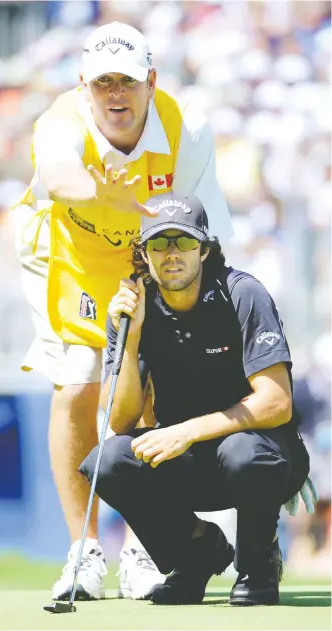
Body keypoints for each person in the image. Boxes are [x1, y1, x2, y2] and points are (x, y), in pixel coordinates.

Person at [13, 21, 232, 601]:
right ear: (84, 85)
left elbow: (208, 237)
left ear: (151, 82)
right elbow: (59, 177)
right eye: (103, 81)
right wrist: (101, 193)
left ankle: (143, 547)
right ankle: (83, 552)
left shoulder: (188, 130)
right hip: (68, 256)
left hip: (149, 258)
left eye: (128, 82)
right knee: (80, 381)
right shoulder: (62, 120)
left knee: (156, 390)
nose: (116, 93)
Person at [80, 192, 316, 606]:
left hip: (261, 455)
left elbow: (276, 402)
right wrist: (129, 338)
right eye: (159, 243)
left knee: (245, 452)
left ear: (204, 249)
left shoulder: (243, 293)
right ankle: (198, 551)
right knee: (107, 459)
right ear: (144, 253)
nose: (172, 254)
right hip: (188, 461)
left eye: (184, 242)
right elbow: (121, 422)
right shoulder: (132, 308)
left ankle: (257, 562)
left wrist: (187, 430)